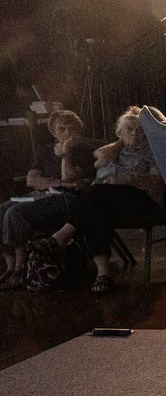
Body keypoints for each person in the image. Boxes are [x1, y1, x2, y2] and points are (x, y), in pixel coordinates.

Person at [29, 107, 166, 294]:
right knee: (96, 207)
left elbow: (158, 181)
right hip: (108, 199)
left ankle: (59, 240)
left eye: (140, 130)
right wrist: (121, 142)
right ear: (119, 134)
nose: (136, 133)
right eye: (130, 129)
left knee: (96, 195)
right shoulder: (114, 151)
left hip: (142, 198)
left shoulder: (153, 150)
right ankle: (103, 275)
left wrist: (128, 179)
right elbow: (99, 158)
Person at [1, 111, 102, 289]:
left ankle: (20, 267)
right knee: (2, 209)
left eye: (72, 128)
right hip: (45, 193)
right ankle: (9, 265)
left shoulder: (89, 149)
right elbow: (31, 179)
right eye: (61, 129)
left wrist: (66, 154)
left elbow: (72, 179)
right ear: (53, 132)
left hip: (70, 198)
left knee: (14, 213)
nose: (67, 133)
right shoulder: (43, 150)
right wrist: (58, 182)